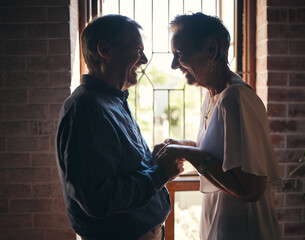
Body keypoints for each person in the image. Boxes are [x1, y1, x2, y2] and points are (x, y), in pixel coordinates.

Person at [56, 14, 184, 240]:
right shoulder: (86, 109)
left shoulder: (113, 100)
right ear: (104, 49)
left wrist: (153, 161)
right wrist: (160, 173)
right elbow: (97, 198)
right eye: (137, 49)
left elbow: (122, 171)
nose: (144, 59)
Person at [157, 12, 282, 240]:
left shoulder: (235, 98)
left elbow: (252, 189)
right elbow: (227, 155)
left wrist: (188, 153)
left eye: (179, 54)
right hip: (221, 219)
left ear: (211, 50)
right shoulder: (213, 95)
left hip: (243, 229)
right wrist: (186, 145)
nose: (174, 64)